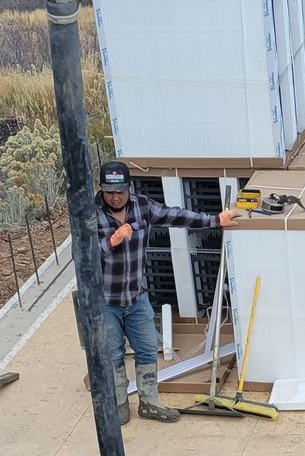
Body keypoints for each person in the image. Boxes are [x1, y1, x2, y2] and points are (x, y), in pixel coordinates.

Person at [95, 159, 240, 423]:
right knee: (113, 354)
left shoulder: (142, 207)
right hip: (105, 302)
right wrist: (112, 241)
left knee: (147, 349)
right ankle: (118, 407)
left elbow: (176, 216)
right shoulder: (89, 214)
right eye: (109, 192)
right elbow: (81, 256)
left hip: (136, 297)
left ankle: (149, 403)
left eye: (120, 191)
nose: (115, 197)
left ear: (128, 187)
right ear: (102, 189)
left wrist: (216, 220)